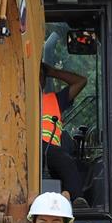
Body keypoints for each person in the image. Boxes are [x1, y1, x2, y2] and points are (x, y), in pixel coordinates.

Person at [40, 66, 88, 202]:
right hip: (28, 148)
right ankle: (77, 198)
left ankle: (76, 202)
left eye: (41, 75)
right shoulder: (17, 98)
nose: (37, 78)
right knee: (65, 161)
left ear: (44, 80)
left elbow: (81, 81)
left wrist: (52, 72)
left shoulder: (55, 99)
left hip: (49, 149)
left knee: (66, 161)